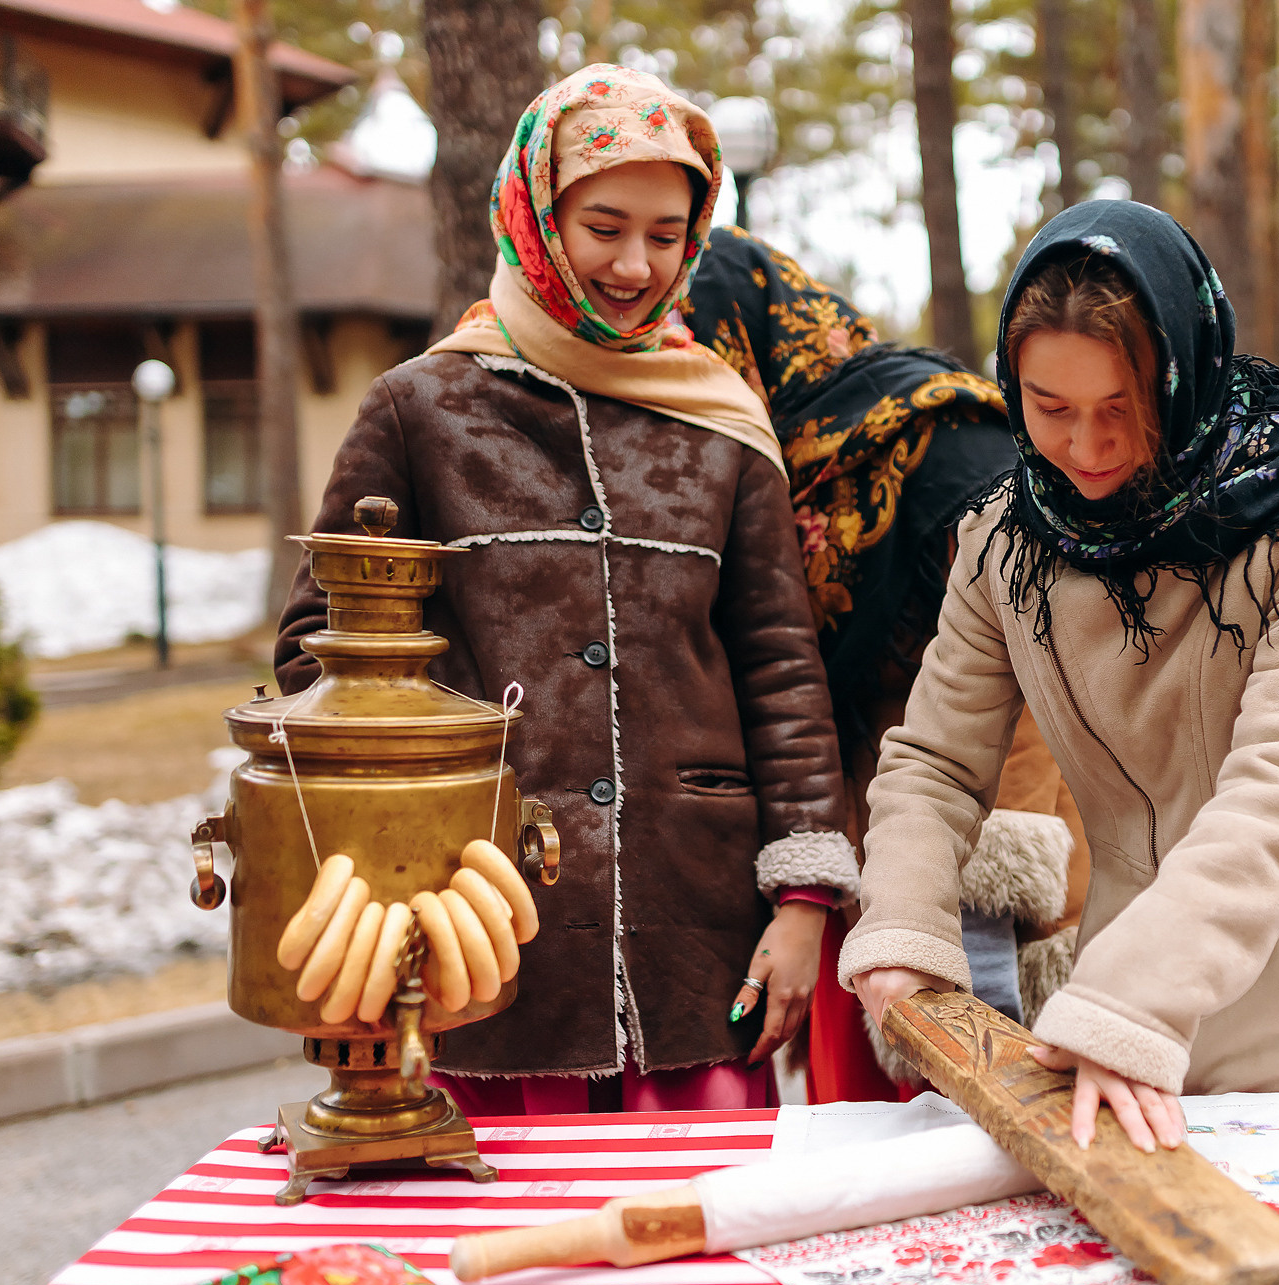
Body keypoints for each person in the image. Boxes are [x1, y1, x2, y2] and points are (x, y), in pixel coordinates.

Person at [274, 66, 857, 1113]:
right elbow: (318, 654)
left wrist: (805, 898)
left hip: (697, 931)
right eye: (604, 225)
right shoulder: (421, 409)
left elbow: (781, 666)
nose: (637, 263)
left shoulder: (721, 421)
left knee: (701, 1244)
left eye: (669, 234)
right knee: (498, 1247)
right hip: (476, 924)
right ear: (536, 211)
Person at [842, 201, 1279, 1149]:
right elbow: (935, 762)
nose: (1085, 448)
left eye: (1124, 407)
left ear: (1184, 370)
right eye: (1050, 409)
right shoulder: (1006, 538)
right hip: (1108, 1001)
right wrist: (906, 925)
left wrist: (1131, 1002)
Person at [683, 228, 1088, 1100]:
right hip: (876, 842)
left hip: (987, 833)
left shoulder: (950, 444)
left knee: (988, 1105)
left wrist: (979, 924)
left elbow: (1023, 678)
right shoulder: (785, 466)